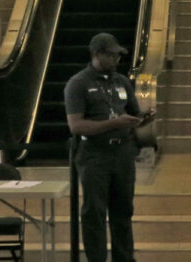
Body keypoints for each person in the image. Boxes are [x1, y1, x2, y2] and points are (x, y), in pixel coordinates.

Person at [64, 33, 155, 262]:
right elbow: (76, 125)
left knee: (123, 210)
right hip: (94, 153)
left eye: (118, 55)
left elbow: (133, 113)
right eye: (112, 55)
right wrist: (113, 123)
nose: (116, 60)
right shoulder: (78, 84)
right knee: (94, 211)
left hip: (123, 152)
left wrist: (143, 118)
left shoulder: (121, 81)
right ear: (96, 55)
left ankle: (124, 258)